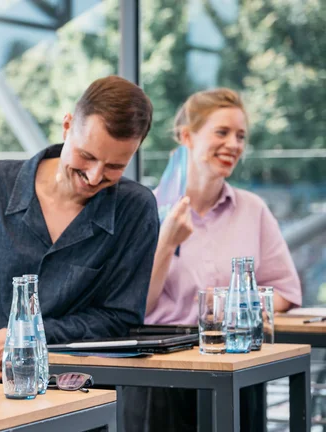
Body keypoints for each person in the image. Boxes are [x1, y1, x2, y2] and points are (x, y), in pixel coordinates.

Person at [0, 76, 160, 381]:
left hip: (63, 388)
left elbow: (118, 319)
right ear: (67, 125)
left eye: (115, 167)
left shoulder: (135, 210)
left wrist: (27, 337)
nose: (93, 176)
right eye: (86, 156)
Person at [126, 88, 302, 431]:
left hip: (234, 370)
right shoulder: (143, 208)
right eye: (222, 132)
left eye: (241, 136)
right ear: (186, 136)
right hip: (160, 375)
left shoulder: (253, 210)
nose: (234, 144)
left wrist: (241, 308)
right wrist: (165, 243)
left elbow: (286, 290)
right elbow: (136, 307)